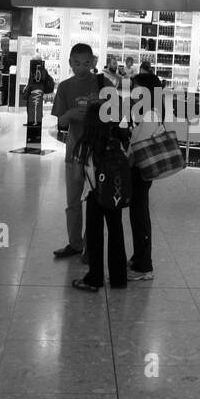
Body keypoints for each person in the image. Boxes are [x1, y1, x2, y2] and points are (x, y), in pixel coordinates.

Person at [71, 103, 130, 292]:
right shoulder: (117, 140)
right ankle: (119, 278)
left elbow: (77, 177)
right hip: (115, 195)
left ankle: (95, 278)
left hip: (94, 196)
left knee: (95, 236)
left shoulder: (85, 144)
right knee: (116, 233)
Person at [52, 44, 103, 261]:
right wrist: (71, 113)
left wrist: (98, 108)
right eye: (76, 63)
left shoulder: (103, 83)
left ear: (93, 62)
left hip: (98, 152)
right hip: (73, 150)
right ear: (70, 62)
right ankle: (75, 243)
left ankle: (91, 246)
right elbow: (60, 121)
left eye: (86, 63)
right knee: (73, 201)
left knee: (95, 202)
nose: (81, 68)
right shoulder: (64, 87)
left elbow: (115, 115)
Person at [128, 69, 163, 282]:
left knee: (140, 217)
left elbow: (137, 145)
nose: (132, 92)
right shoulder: (145, 111)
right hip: (140, 170)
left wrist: (125, 163)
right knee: (137, 215)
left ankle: (144, 266)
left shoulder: (150, 114)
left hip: (139, 170)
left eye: (135, 88)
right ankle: (138, 258)